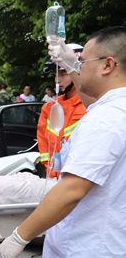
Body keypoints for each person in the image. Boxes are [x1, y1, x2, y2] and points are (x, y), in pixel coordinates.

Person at [0, 26, 126, 258]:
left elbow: (73, 189)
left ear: (108, 64)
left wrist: (20, 236)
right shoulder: (114, 109)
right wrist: (71, 63)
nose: (78, 70)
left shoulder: (106, 120)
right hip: (108, 250)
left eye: (85, 63)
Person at [37, 43, 86, 179]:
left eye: (63, 73)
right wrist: (52, 173)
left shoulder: (92, 105)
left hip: (83, 182)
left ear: (79, 71)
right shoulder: (49, 108)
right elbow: (44, 147)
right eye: (56, 74)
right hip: (55, 180)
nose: (58, 80)